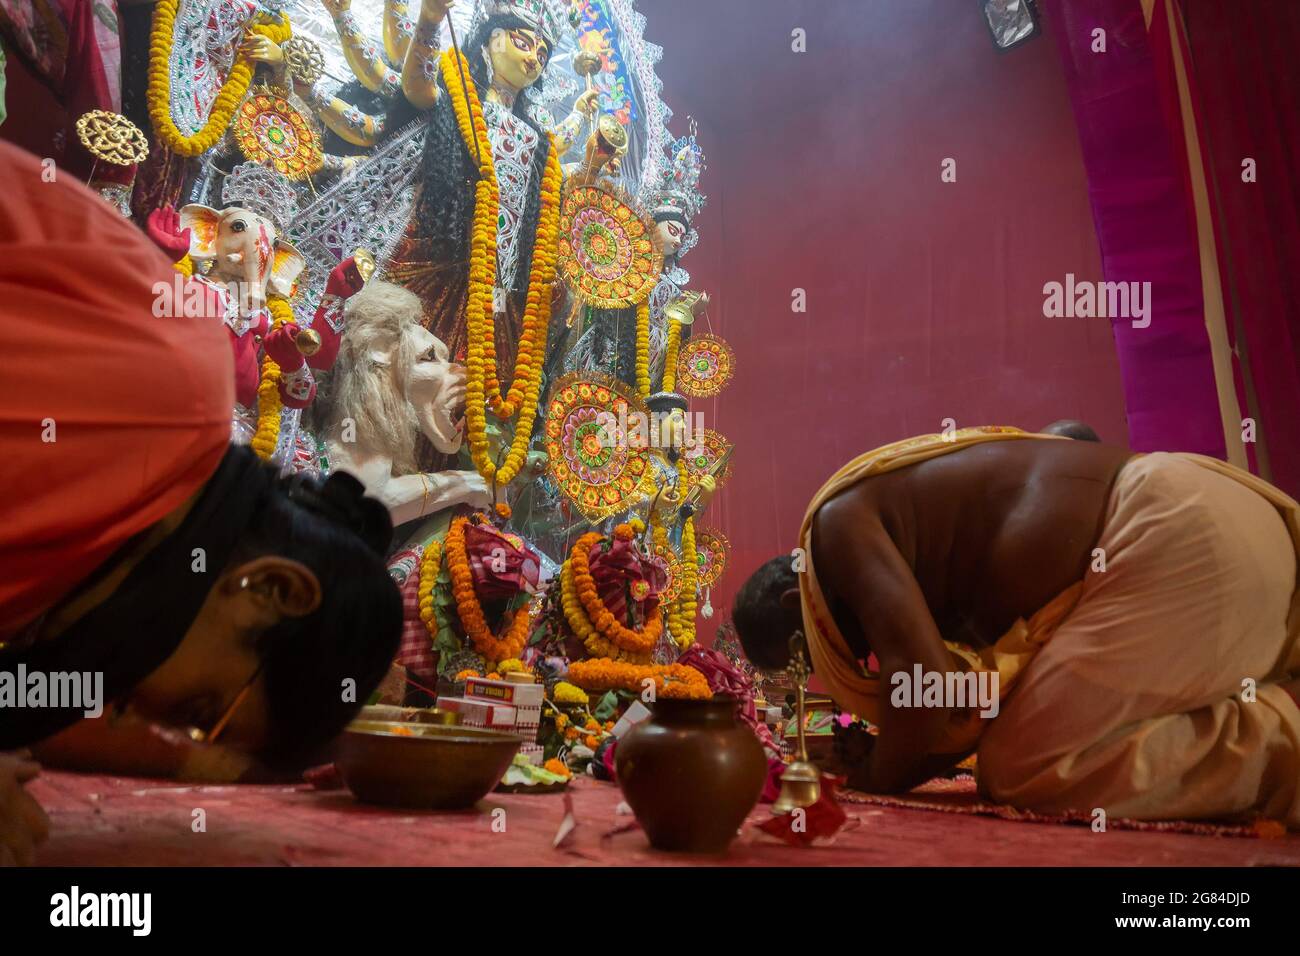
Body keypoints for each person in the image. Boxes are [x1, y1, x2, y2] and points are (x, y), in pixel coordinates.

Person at [0, 140, 402, 863]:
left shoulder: (123, 520)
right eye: (197, 712)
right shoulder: (164, 389)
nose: (142, 717)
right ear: (272, 587)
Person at [733, 426, 1300, 825]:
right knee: (1022, 733)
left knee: (1019, 767)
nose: (842, 667)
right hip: (1223, 522)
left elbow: (925, 677)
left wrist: (881, 773)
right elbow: (1073, 434)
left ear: (795, 599)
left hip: (1177, 549)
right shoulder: (918, 522)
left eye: (802, 657)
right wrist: (909, 751)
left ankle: (1281, 748)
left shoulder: (836, 529)